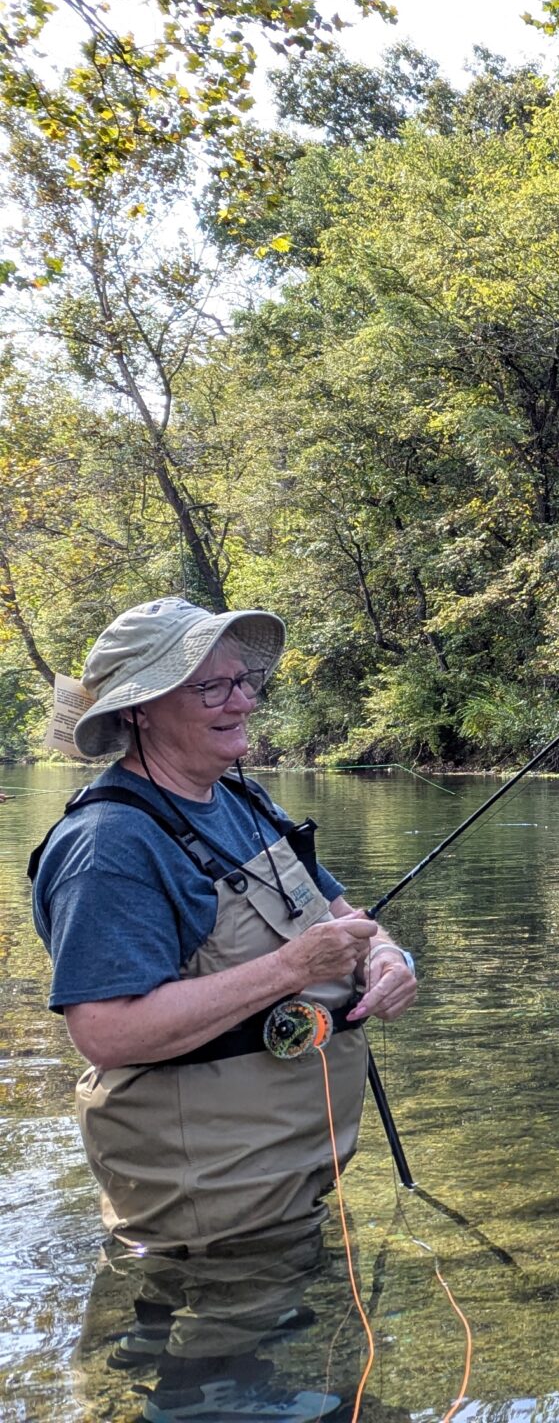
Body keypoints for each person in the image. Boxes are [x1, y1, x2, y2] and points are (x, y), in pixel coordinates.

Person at [26, 597, 420, 1422]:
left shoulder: (242, 801)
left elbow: (348, 921)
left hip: (274, 1176)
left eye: (243, 681)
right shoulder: (109, 846)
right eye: (209, 687)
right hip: (210, 1191)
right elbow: (104, 1031)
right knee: (212, 1381)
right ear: (139, 710)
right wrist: (290, 968)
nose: (242, 701)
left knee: (239, 1342)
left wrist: (389, 959)